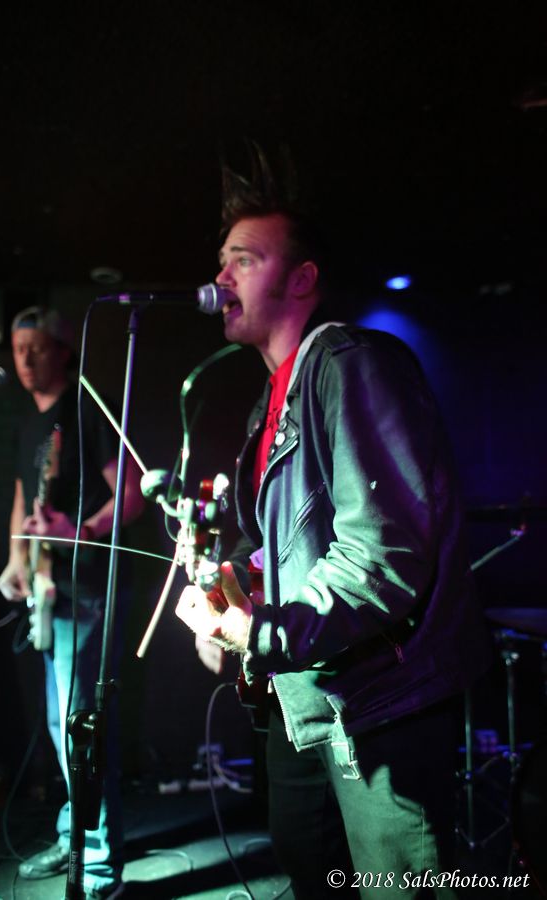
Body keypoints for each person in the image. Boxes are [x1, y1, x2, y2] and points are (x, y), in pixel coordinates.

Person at [175, 151, 492, 898]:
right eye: (221, 261)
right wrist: (231, 591)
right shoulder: (271, 402)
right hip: (312, 696)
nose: (220, 278)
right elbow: (283, 548)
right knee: (310, 867)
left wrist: (262, 632)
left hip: (382, 701)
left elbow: (380, 553)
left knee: (400, 883)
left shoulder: (349, 363)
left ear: (302, 279)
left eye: (243, 260)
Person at [0, 306, 144, 900]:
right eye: (18, 348)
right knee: (63, 724)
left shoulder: (85, 409)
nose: (25, 358)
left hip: (87, 588)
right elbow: (21, 499)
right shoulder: (28, 424)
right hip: (48, 588)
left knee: (82, 724)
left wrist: (81, 531)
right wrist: (17, 558)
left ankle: (100, 863)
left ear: (63, 351)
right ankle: (75, 834)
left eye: (37, 347)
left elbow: (131, 493)